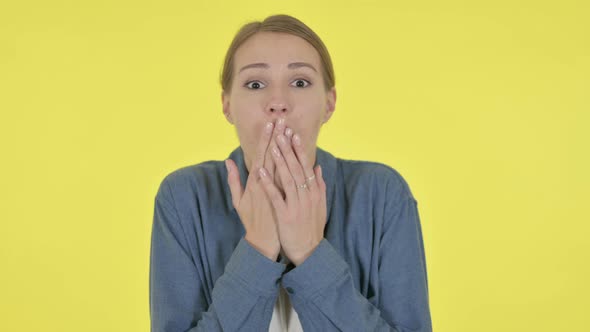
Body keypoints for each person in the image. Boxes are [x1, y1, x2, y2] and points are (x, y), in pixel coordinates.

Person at [149, 14, 433, 332]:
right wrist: (257, 249)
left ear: (329, 102)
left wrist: (310, 253)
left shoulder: (383, 195)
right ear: (227, 104)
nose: (278, 102)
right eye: (255, 84)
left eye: (300, 82)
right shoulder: (183, 198)